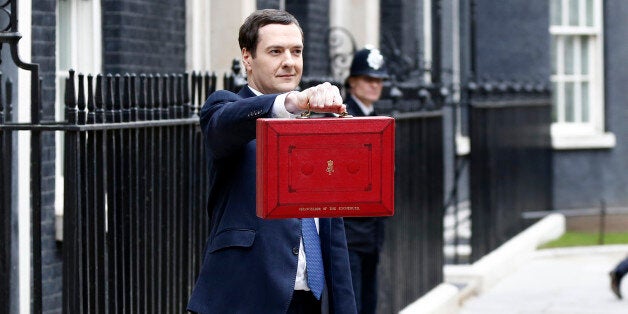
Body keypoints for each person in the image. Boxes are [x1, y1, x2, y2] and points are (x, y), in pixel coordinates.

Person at [186, 9, 357, 314]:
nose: (289, 61)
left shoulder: (319, 124)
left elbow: (332, 232)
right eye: (275, 51)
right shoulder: (225, 108)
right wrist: (288, 103)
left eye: (296, 51)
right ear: (247, 57)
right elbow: (223, 125)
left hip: (314, 302)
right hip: (247, 298)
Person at [342, 47, 389, 314]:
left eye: (379, 80)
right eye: (368, 79)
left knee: (368, 301)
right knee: (353, 303)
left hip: (372, 230)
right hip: (350, 230)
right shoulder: (343, 116)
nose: (375, 85)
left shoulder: (375, 115)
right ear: (352, 81)